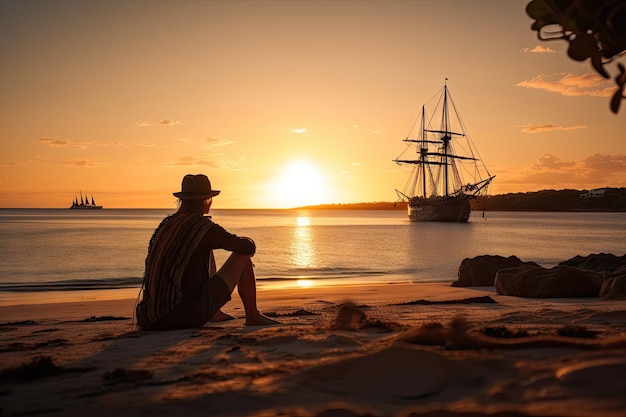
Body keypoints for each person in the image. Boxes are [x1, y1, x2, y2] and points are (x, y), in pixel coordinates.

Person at [135, 174, 279, 330]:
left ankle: (215, 313)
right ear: (206, 200)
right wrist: (247, 240)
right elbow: (246, 248)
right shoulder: (202, 227)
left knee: (205, 250)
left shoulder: (167, 225)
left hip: (150, 317)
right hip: (182, 316)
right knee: (242, 258)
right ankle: (252, 315)